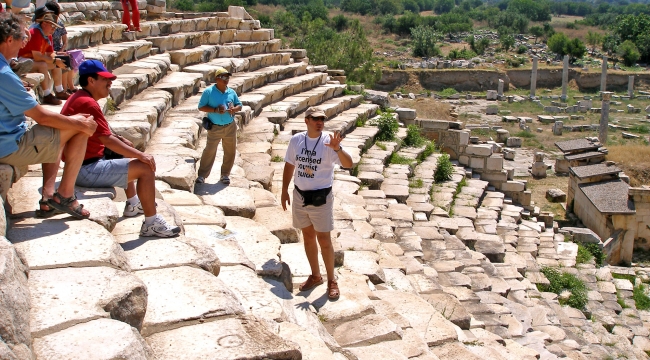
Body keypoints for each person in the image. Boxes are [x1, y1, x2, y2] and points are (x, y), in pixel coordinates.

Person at [40, 59, 181, 237]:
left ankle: (133, 203)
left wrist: (124, 143)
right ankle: (151, 223)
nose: (110, 83)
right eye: (105, 79)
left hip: (83, 165)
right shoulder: (87, 103)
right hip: (86, 170)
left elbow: (105, 136)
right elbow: (107, 140)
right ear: (91, 81)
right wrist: (142, 155)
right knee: (144, 168)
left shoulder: (80, 97)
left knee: (123, 148)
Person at [0, 12, 96, 219]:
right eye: (20, 40)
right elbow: (41, 117)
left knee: (61, 128)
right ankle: (65, 196)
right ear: (9, 39)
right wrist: (77, 121)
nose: (22, 45)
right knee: (81, 127)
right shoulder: (3, 75)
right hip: (7, 145)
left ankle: (49, 197)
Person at [281, 107, 353, 300]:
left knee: (324, 240)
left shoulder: (329, 141)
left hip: (321, 198)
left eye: (322, 119)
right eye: (315, 119)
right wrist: (283, 191)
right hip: (300, 196)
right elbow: (289, 165)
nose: (319, 122)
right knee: (308, 236)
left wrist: (338, 148)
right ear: (307, 120)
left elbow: (349, 164)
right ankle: (315, 275)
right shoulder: (297, 140)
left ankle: (332, 280)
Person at [196, 67, 242, 185]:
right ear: (217, 79)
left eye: (227, 77)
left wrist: (234, 109)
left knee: (230, 151)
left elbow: (239, 105)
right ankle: (202, 175)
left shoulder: (231, 92)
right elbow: (201, 107)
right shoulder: (208, 92)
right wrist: (215, 110)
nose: (226, 79)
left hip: (229, 126)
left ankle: (225, 174)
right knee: (209, 151)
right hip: (215, 127)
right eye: (223, 77)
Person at [19, 7, 68, 105]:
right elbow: (37, 57)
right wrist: (54, 60)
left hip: (33, 61)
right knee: (43, 65)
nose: (54, 29)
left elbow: (50, 53)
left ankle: (59, 91)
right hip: (23, 60)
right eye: (52, 26)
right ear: (44, 24)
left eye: (55, 27)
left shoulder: (48, 35)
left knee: (57, 64)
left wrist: (57, 59)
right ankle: (47, 95)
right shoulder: (35, 33)